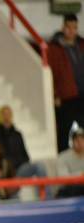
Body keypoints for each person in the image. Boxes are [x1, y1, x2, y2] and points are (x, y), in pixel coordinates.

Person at [47, 14, 84, 152]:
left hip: (82, 94)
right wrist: (55, 94)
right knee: (64, 131)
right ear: (63, 27)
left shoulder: (81, 44)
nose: (71, 31)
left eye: (74, 27)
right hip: (66, 97)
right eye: (68, 27)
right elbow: (51, 74)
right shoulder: (54, 48)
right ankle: (63, 157)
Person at [0, 106, 47, 180]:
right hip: (4, 171)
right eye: (4, 114)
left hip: (19, 169)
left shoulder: (17, 134)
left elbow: (25, 155)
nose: (7, 117)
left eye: (9, 114)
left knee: (39, 166)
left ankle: (45, 192)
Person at [56, 124, 84, 197]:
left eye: (82, 139)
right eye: (77, 139)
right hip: (68, 190)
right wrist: (81, 175)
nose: (80, 142)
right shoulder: (63, 156)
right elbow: (63, 178)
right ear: (72, 141)